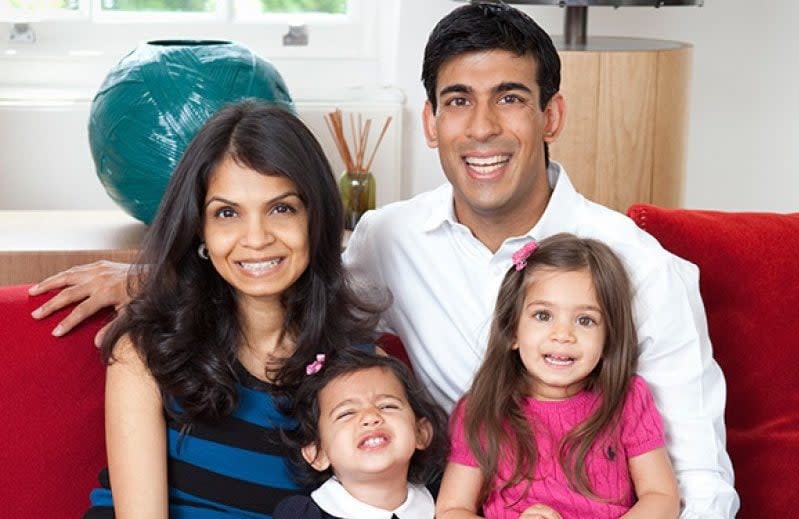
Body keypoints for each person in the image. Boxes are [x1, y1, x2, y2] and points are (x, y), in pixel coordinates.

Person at [30, 2, 739, 516]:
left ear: (551, 115)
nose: (483, 126)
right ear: (430, 122)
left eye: (511, 99)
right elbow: (278, 260)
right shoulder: (388, 239)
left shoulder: (639, 267)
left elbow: (701, 485)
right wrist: (154, 273)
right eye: (458, 100)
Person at [83, 100, 382, 518]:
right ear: (200, 229)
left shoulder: (363, 372)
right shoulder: (146, 352)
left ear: (316, 219)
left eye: (281, 209)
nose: (255, 238)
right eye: (226, 213)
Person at [436, 234, 679, 518]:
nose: (563, 335)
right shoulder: (483, 408)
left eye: (585, 320)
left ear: (608, 339)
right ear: (512, 330)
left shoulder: (627, 399)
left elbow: (661, 496)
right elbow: (452, 509)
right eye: (543, 316)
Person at [273, 348, 448, 518]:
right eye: (347, 413)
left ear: (421, 432)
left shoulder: (446, 503)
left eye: (387, 405)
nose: (371, 417)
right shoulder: (305, 515)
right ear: (318, 453)